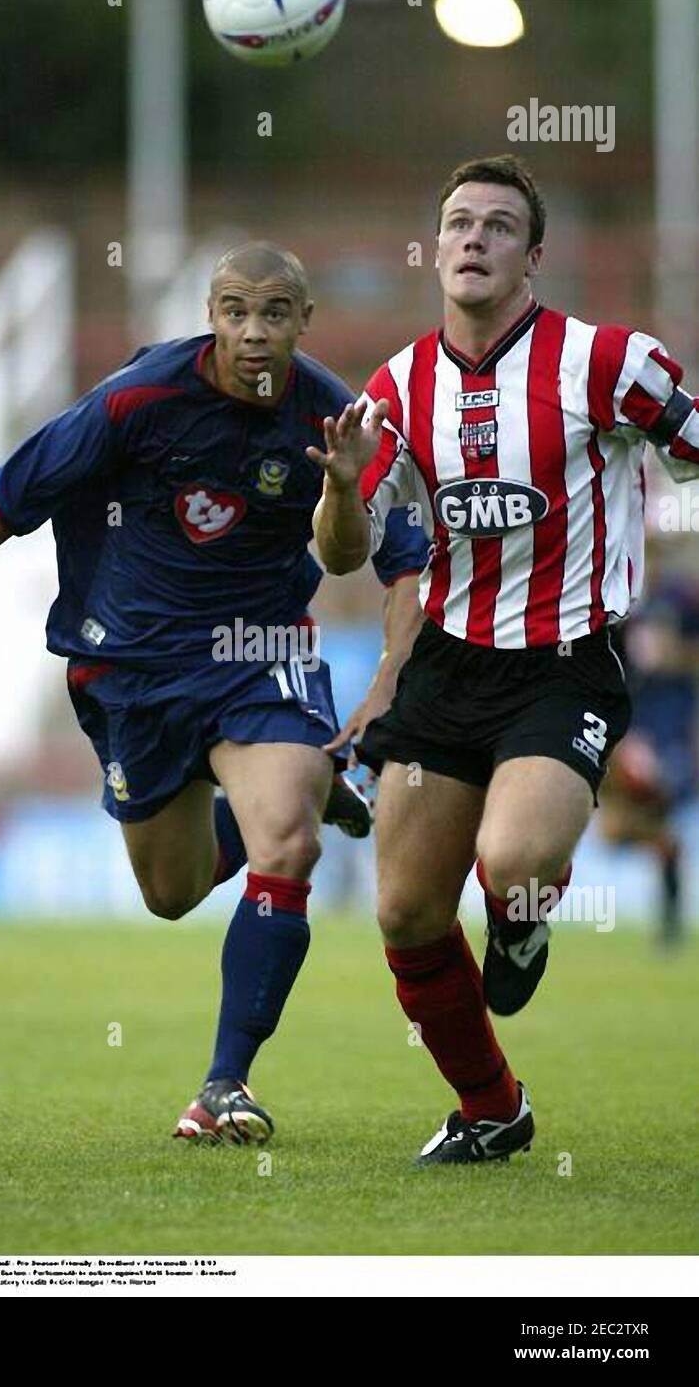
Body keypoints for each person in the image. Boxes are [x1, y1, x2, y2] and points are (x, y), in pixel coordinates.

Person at [0, 241, 426, 1146]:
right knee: (171, 892)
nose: (253, 332)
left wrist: (343, 484)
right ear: (210, 315)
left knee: (285, 846)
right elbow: (12, 493)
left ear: (302, 323)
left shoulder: (332, 416)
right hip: (132, 666)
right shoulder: (136, 400)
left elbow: (347, 556)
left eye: (273, 313)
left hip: (258, 651)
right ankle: (307, 789)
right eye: (235, 311)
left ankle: (224, 1084)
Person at [311, 155, 699, 1166]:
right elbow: (342, 554)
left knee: (516, 864)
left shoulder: (606, 363)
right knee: (402, 910)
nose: (473, 238)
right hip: (447, 665)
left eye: (496, 225)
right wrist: (346, 489)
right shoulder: (396, 388)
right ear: (436, 248)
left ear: (534, 254)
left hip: (564, 666)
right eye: (457, 223)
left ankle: (523, 922)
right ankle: (493, 1107)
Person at [598, 539, 699, 947]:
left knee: (651, 811)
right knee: (619, 830)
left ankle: (670, 920)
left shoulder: (683, 601)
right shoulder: (618, 604)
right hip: (628, 730)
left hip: (672, 729)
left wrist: (674, 654)